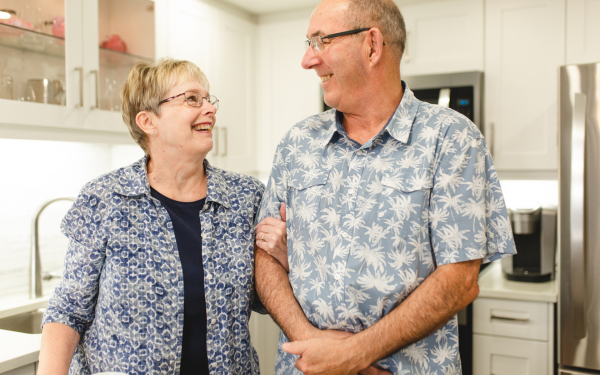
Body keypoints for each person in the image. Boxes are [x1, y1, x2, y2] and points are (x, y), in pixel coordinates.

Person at [253, 0, 516, 373]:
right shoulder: (297, 142)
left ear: (372, 46)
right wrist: (316, 347)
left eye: (321, 41)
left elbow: (459, 281)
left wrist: (355, 355)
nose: (308, 60)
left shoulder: (451, 138)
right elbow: (264, 259)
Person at [38, 58, 264, 375]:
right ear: (148, 122)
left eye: (208, 99)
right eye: (191, 99)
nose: (210, 109)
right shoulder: (105, 199)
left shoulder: (247, 197)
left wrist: (282, 256)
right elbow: (70, 307)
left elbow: (264, 301)